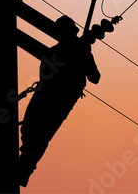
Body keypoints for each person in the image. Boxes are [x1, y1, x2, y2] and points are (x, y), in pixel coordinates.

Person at [19, 15, 100, 187]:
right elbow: (45, 75)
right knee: (29, 129)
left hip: (60, 100)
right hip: (46, 96)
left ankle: (24, 169)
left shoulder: (80, 50)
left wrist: (84, 54)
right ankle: (23, 166)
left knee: (40, 135)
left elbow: (95, 77)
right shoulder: (54, 52)